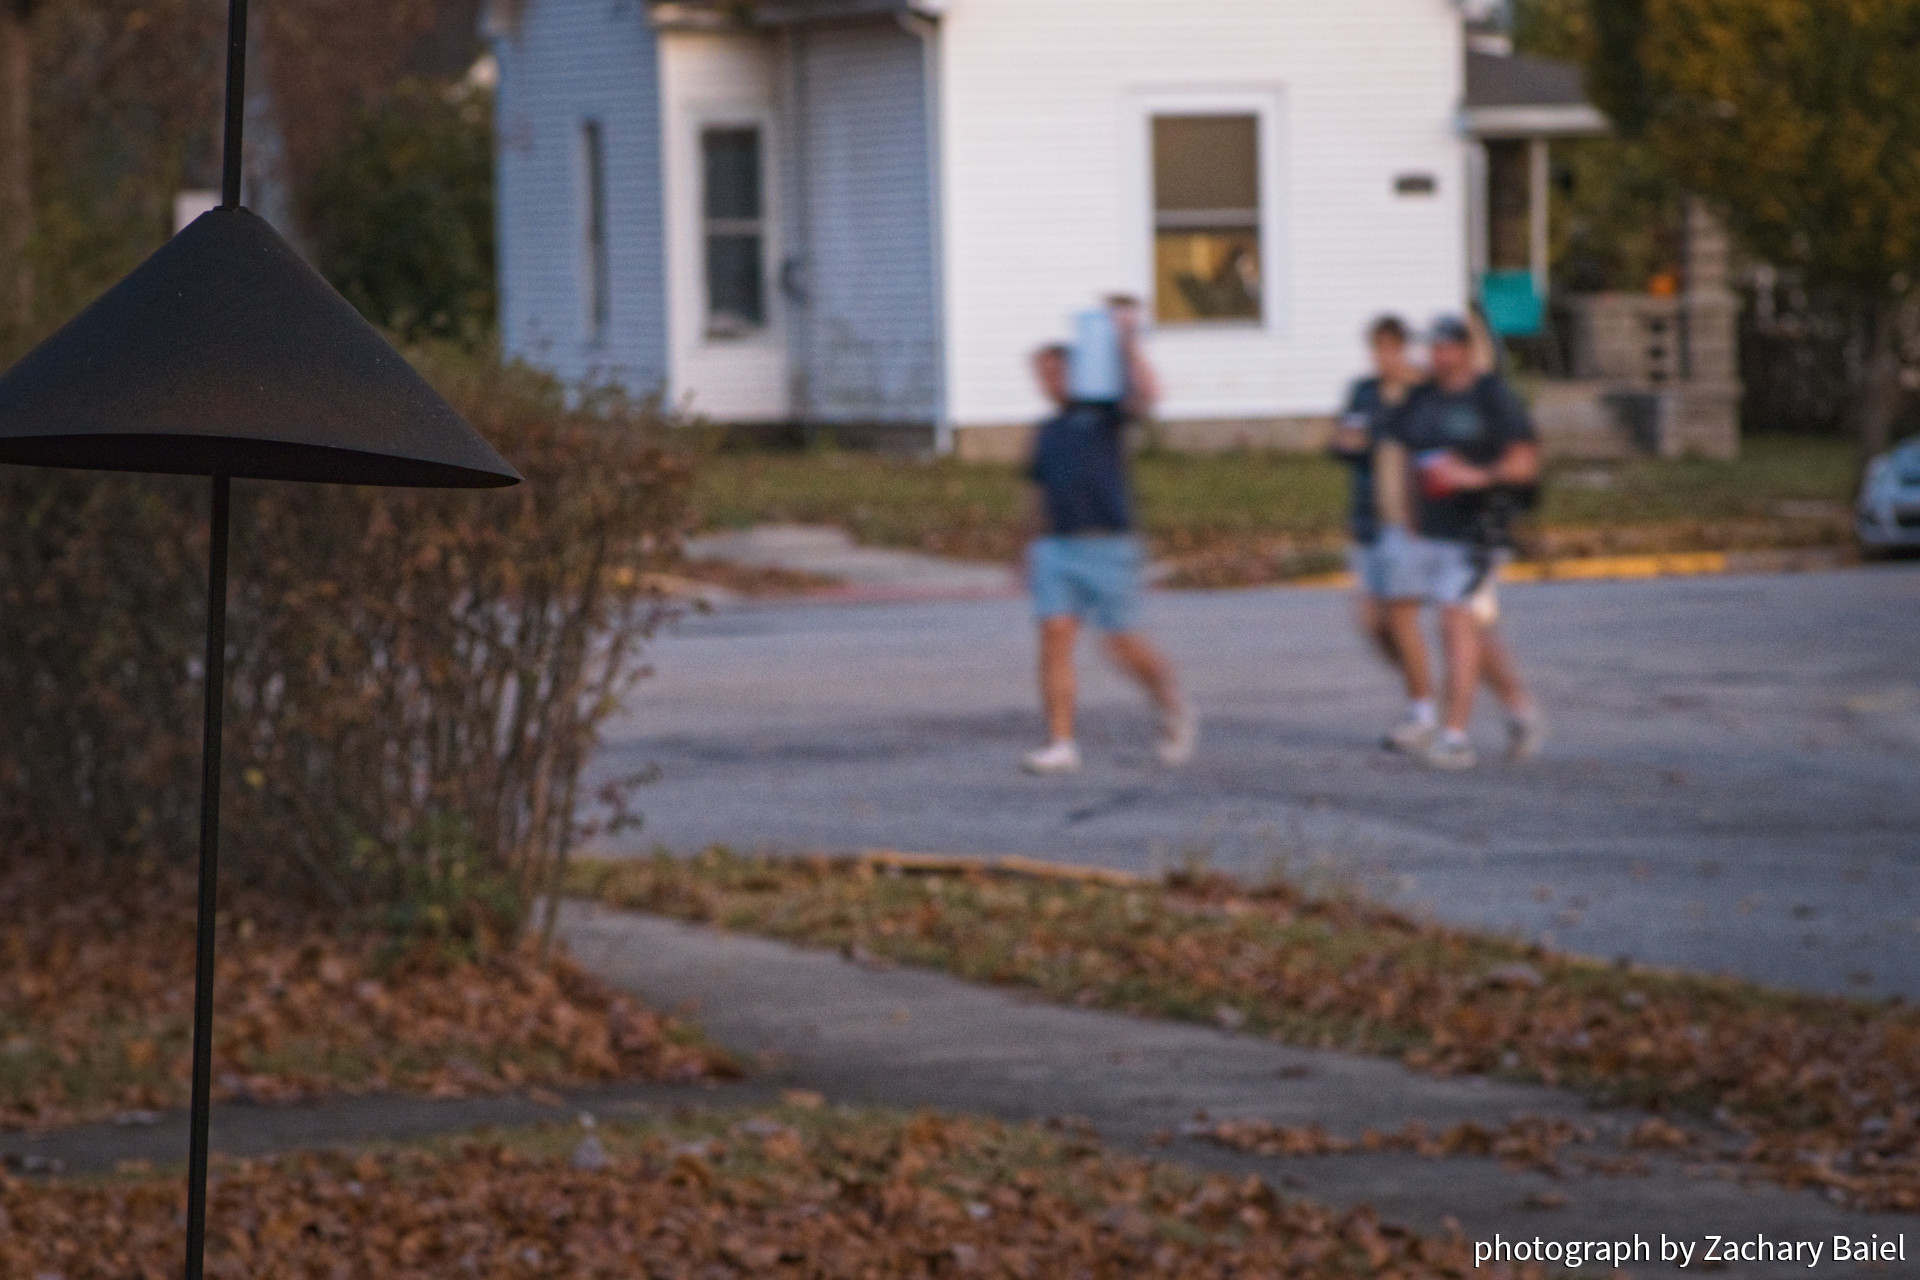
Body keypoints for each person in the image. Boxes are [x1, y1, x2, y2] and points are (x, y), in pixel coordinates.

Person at [1020, 301, 1197, 775]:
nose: (1049, 381)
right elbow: (1036, 492)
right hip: (1056, 546)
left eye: (1058, 372)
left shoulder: (1105, 416)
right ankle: (1060, 742)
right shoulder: (1047, 431)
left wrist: (1127, 339)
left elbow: (1149, 394)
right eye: (1043, 374)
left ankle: (1171, 704)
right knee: (1054, 636)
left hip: (1108, 543)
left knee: (1120, 643)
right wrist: (1026, 548)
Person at [1380, 315, 1546, 770]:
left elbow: (1525, 464)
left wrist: (1476, 476)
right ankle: (1518, 709)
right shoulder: (1423, 398)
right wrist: (1409, 522)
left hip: (1476, 532)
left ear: (1464, 350)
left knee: (1454, 622)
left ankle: (1455, 738)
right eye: (1431, 348)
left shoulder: (1492, 396)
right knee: (1454, 626)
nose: (1436, 356)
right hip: (1427, 532)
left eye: (1445, 348)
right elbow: (1409, 458)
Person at [1329, 315, 1436, 752]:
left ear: (1404, 349)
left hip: (1410, 523)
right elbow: (1341, 440)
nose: (1382, 359)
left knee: (1401, 617)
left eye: (1390, 349)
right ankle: (1421, 687)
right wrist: (1345, 442)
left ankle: (1422, 710)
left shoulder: (1422, 395)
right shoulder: (1363, 392)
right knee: (1370, 621)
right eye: (1376, 350)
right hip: (1369, 519)